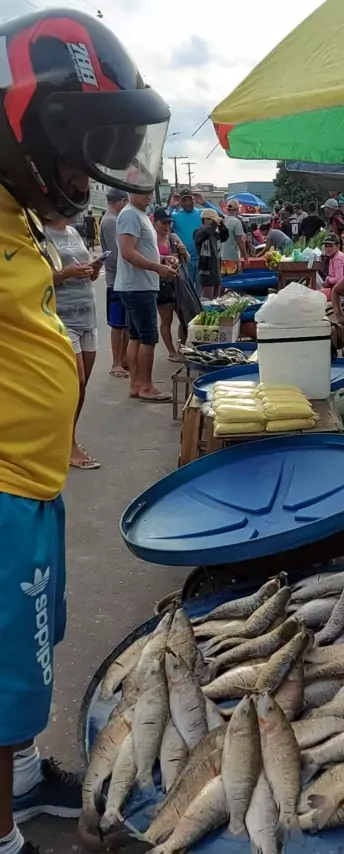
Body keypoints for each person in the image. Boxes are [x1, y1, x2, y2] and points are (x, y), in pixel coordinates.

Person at [0, 7, 171, 853]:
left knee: (31, 652)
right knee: (1, 672)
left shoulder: (16, 214)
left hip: (34, 485)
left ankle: (25, 773)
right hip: (2, 494)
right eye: (78, 149)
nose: (86, 173)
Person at [44, 217, 103, 470]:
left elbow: (87, 276)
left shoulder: (73, 232)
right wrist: (67, 273)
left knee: (81, 386)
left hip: (87, 314)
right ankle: (68, 445)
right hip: (62, 318)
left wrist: (94, 269)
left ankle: (66, 437)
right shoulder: (41, 234)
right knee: (75, 382)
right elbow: (37, 279)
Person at [115, 192, 176, 402]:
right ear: (130, 191)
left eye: (150, 191)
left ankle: (136, 384)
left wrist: (163, 260)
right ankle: (146, 387)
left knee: (136, 336)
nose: (148, 195)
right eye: (142, 191)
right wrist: (158, 268)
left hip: (140, 285)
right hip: (138, 287)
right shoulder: (130, 215)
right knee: (148, 338)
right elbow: (127, 252)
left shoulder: (139, 214)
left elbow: (143, 250)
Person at [152, 206, 190, 361]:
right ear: (155, 222)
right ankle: (171, 351)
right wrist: (164, 259)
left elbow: (186, 259)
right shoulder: (151, 238)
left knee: (185, 318)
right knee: (166, 319)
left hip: (178, 282)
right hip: (162, 284)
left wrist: (183, 252)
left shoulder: (173, 237)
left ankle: (182, 348)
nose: (167, 226)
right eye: (163, 223)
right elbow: (147, 259)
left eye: (169, 223)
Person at [100, 188, 130, 378]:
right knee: (118, 324)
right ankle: (116, 362)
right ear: (122, 201)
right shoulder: (111, 221)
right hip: (116, 279)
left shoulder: (113, 219)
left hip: (122, 279)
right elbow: (115, 254)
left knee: (125, 323)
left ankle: (124, 358)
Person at [169, 189, 222, 289]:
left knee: (201, 290)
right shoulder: (175, 216)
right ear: (180, 202)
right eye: (184, 200)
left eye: (190, 199)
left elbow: (220, 216)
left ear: (194, 200)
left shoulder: (202, 214)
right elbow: (162, 219)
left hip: (203, 259)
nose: (188, 203)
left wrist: (205, 203)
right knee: (187, 290)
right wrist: (171, 206)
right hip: (185, 259)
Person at [195, 208, 229, 297]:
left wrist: (221, 225)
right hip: (206, 270)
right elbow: (206, 232)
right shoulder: (198, 232)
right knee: (207, 298)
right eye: (212, 220)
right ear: (205, 220)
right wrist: (214, 224)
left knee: (216, 298)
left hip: (216, 269)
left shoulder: (214, 233)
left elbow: (225, 236)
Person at [221, 199, 249, 276]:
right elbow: (240, 242)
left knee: (223, 281)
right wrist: (246, 258)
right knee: (235, 280)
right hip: (232, 258)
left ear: (227, 209)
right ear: (237, 209)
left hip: (221, 258)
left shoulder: (221, 220)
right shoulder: (236, 222)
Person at [320, 233, 344, 300]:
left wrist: (328, 279)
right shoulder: (333, 256)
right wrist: (328, 281)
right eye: (326, 246)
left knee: (319, 296)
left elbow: (338, 280)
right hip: (340, 289)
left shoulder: (338, 259)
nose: (327, 249)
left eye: (331, 246)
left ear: (338, 246)